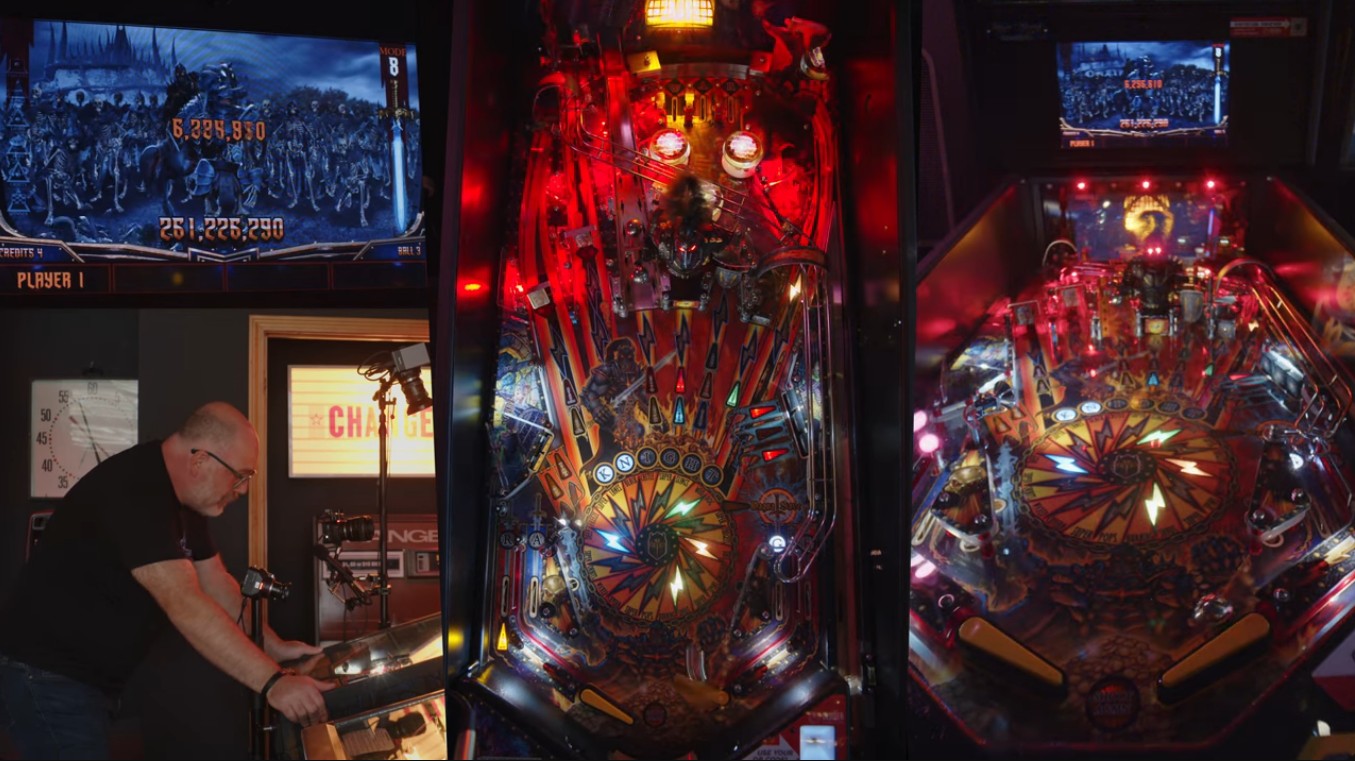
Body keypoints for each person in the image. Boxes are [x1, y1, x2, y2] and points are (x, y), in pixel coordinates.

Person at [0, 402, 334, 759]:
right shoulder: (137, 490)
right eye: (240, 476)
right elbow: (185, 604)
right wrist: (273, 684)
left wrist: (274, 648)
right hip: (46, 678)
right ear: (200, 461)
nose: (242, 490)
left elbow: (216, 583)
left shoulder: (184, 500)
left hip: (86, 683)